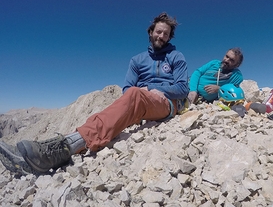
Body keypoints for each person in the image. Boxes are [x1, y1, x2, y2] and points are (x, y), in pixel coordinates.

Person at [0, 12, 189, 176]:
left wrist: (157, 90)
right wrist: (142, 93)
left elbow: (182, 89)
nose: (161, 36)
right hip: (140, 100)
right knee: (121, 102)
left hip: (166, 103)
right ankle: (54, 149)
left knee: (134, 95)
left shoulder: (176, 57)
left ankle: (58, 151)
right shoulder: (137, 60)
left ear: (169, 37)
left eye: (166, 34)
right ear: (150, 32)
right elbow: (127, 89)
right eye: (158, 31)